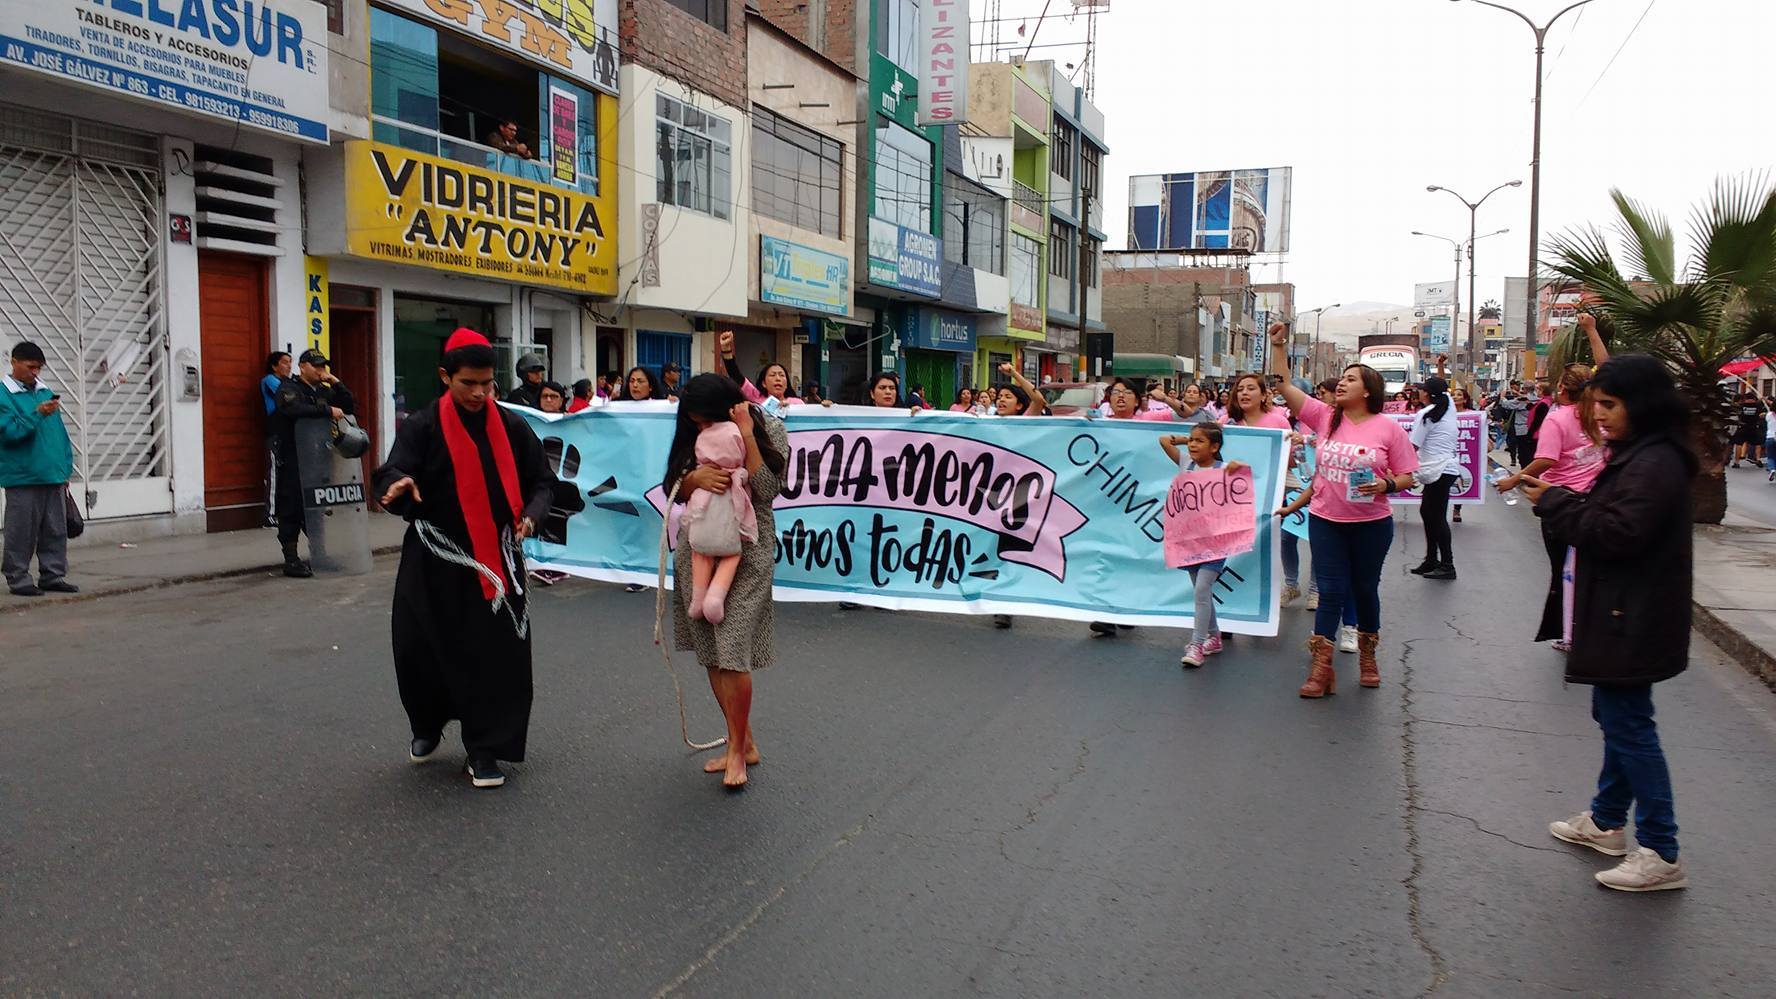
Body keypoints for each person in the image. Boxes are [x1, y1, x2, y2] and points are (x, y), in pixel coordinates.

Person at [1518, 355, 1693, 892]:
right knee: (1617, 713)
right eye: (1597, 403)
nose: (1599, 415)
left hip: (1631, 615)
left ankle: (1661, 850)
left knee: (1629, 724)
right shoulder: (1638, 455)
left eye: (1610, 404)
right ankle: (1607, 819)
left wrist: (1557, 502)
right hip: (1620, 611)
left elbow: (1618, 533)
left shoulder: (1654, 463)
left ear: (1642, 405)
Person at [373, 329, 555, 790]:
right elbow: (395, 469)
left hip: (497, 560)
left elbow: (542, 482)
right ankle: (428, 724)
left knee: (492, 657)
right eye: (468, 384)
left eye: (487, 384)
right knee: (419, 650)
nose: (479, 394)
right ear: (444, 377)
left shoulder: (512, 426)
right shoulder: (423, 425)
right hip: (435, 556)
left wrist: (532, 514)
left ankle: (484, 748)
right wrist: (396, 486)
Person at [1268, 323, 1418, 697]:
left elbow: (1408, 477)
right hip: (1326, 521)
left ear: (1368, 390)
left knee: (1365, 588)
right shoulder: (1325, 417)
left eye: (1350, 380)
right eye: (1342, 379)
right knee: (1331, 589)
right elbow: (1285, 385)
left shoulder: (1389, 429)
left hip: (1371, 524)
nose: (1341, 384)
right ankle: (1321, 668)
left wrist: (1385, 484)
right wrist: (1279, 345)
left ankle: (1368, 658)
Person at [663, 374, 789, 789]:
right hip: (699, 545)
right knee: (712, 652)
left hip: (747, 548)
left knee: (733, 646)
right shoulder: (689, 427)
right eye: (695, 423)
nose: (700, 429)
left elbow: (769, 489)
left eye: (705, 422)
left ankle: (736, 750)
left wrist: (749, 437)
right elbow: (671, 485)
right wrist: (692, 481)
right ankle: (744, 740)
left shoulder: (768, 426)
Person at [1496, 335, 1606, 652]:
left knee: (1564, 570)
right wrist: (1592, 331)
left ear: (1561, 390)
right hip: (1595, 500)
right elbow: (1609, 369)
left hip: (1562, 504)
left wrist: (1513, 479)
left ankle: (1571, 633)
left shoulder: (1558, 419)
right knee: (1587, 567)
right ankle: (1585, 627)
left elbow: (1546, 460)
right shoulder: (1600, 411)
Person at [1160, 424, 1248, 667]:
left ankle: (1197, 644)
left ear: (1215, 447)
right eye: (1191, 440)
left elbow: (1243, 475)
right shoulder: (1186, 463)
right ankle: (1215, 636)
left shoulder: (1223, 469)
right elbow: (1163, 440)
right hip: (1189, 542)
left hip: (1216, 544)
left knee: (1201, 590)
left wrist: (1236, 465)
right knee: (1203, 592)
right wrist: (1183, 439)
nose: (1193, 445)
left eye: (1199, 441)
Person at [268, 349, 356, 579]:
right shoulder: (289, 388)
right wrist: (326, 410)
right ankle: (291, 559)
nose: (320, 371)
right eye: (316, 366)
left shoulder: (324, 391)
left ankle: (320, 555)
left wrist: (336, 382)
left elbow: (349, 405)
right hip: (293, 459)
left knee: (316, 508)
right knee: (291, 508)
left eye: (323, 366)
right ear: (303, 366)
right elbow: (292, 409)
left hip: (318, 458)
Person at [2, 341, 77, 597]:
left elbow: (60, 435)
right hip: (23, 477)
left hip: (52, 475)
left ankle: (53, 575)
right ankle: (18, 579)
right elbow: (10, 433)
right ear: (14, 362)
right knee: (21, 532)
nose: (36, 373)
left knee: (55, 530)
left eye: (39, 368)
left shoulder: (45, 393)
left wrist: (66, 468)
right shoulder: (3, 395)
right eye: (31, 367)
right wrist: (36, 414)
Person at [682, 414, 756, 626]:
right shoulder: (738, 474)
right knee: (731, 555)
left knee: (700, 553)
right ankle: (714, 599)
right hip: (728, 530)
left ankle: (698, 601)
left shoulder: (700, 472)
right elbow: (752, 487)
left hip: (701, 529)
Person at [1408, 377, 1461, 581]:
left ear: (1427, 394)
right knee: (1428, 513)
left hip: (1438, 470)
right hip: (1445, 468)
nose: (1419, 393)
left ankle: (1447, 564)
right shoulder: (1448, 408)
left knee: (1437, 517)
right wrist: (1440, 366)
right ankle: (1431, 559)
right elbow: (1445, 390)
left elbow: (1412, 447)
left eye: (1422, 390)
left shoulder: (1426, 416)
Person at [1451, 385, 1476, 523]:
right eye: (1453, 395)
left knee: (1459, 479)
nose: (1456, 397)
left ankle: (1457, 509)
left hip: (1464, 451)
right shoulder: (1446, 414)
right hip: (1448, 451)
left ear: (1465, 399)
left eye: (1459, 395)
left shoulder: (1472, 415)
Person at [1731, 390, 1764, 468]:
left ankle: (1737, 462)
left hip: (1742, 427)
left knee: (1739, 444)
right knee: (1757, 444)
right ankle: (1758, 459)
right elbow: (1761, 414)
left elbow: (1736, 411)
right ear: (1754, 398)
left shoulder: (1741, 405)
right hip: (1753, 427)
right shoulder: (1758, 405)